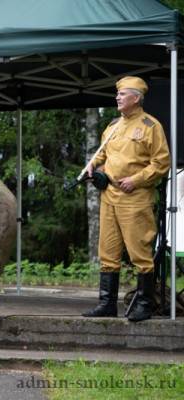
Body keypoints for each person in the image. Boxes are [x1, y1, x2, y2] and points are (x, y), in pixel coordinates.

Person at [82, 76, 170, 322]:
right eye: (117, 94)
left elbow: (162, 163)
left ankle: (145, 303)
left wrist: (137, 179)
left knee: (139, 250)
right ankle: (106, 303)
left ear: (136, 98)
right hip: (108, 195)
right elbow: (102, 155)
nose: (117, 97)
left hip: (135, 197)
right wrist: (92, 166)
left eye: (122, 94)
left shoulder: (151, 126)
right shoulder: (112, 126)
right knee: (108, 251)